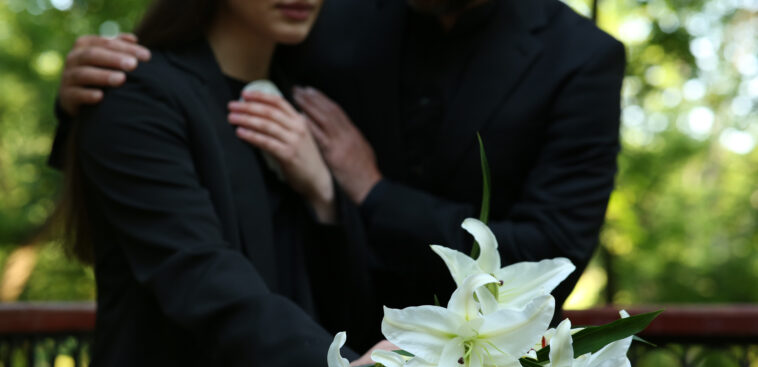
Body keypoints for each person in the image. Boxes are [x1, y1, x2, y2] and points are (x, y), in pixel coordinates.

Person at [54, 0, 625, 329]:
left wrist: (370, 192)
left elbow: (553, 255)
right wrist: (90, 104)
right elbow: (211, 93)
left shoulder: (582, 57)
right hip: (297, 358)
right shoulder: (321, 14)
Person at [56, 0, 386, 367]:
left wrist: (323, 197)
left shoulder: (309, 108)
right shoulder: (135, 92)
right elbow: (199, 275)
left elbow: (325, 291)